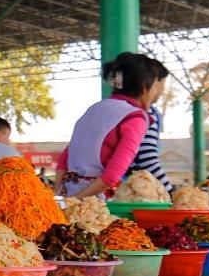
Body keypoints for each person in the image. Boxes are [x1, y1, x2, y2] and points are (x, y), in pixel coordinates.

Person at [57, 52, 166, 199]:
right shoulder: (135, 117)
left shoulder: (95, 108)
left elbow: (67, 155)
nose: (156, 91)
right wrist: (75, 201)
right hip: (94, 203)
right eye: (154, 84)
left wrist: (59, 195)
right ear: (144, 87)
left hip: (66, 191)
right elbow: (112, 175)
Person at [128, 60, 172, 192]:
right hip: (132, 189)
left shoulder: (118, 108)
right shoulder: (146, 114)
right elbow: (148, 159)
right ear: (154, 82)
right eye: (163, 83)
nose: (162, 90)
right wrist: (170, 192)